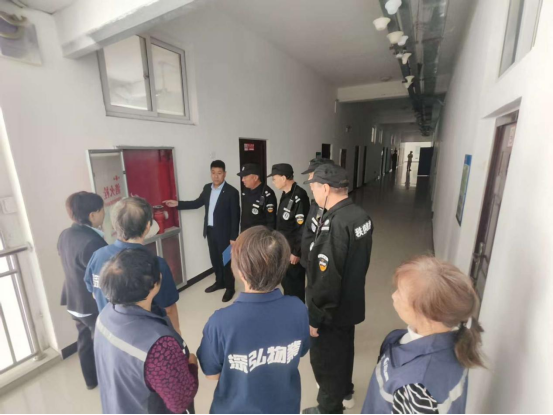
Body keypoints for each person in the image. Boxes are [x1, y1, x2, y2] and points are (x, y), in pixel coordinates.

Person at [197, 226, 310, 414]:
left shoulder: (220, 323)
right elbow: (301, 350)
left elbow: (212, 374)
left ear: (240, 271)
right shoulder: (298, 309)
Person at [361, 256, 485, 414]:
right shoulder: (457, 340)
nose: (393, 296)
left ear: (427, 313)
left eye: (400, 293)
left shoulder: (418, 388)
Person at [303, 164, 374, 415]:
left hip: (330, 311)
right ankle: (344, 391)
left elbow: (327, 279)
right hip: (350, 303)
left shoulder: (334, 224)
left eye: (313, 188)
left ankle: (328, 408)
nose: (313, 193)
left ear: (325, 188)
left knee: (326, 361)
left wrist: (315, 317)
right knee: (343, 352)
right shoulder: (360, 216)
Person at [95, 249, 199, 414]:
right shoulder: (160, 345)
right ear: (154, 284)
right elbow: (180, 401)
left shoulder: (104, 315)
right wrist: (192, 365)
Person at [85, 197, 181, 334]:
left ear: (114, 225)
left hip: (108, 333)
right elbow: (169, 309)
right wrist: (177, 334)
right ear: (148, 226)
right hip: (145, 339)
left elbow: (95, 294)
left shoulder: (97, 256)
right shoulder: (155, 264)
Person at [164, 160, 240, 303]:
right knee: (215, 259)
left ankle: (230, 288)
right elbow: (197, 203)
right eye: (213, 173)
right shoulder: (207, 188)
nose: (216, 176)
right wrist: (178, 204)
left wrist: (233, 236)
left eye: (219, 173)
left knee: (226, 261)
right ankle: (219, 282)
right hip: (210, 231)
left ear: (225, 174)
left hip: (225, 234)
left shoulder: (232, 192)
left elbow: (235, 216)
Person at [57, 192, 107, 391]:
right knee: (103, 342)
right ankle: (108, 381)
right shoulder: (92, 242)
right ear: (92, 215)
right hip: (90, 304)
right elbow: (101, 277)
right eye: (102, 210)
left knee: (84, 339)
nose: (104, 214)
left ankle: (91, 380)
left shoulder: (65, 235)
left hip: (73, 300)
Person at [269, 163, 310, 302]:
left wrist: (296, 252)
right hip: (284, 247)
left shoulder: (299, 196)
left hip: (293, 250)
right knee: (286, 282)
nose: (273, 182)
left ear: (283, 178)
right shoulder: (286, 194)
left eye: (274, 178)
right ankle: (289, 307)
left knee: (295, 284)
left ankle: (297, 310)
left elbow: (302, 227)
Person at [300, 158, 335, 271]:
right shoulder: (316, 203)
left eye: (311, 175)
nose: (309, 179)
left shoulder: (331, 209)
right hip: (309, 261)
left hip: (319, 266)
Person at [237, 163, 277, 232]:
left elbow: (271, 221)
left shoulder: (267, 193)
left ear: (255, 178)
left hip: (259, 235)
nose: (242, 180)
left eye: (245, 177)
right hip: (246, 232)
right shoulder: (245, 190)